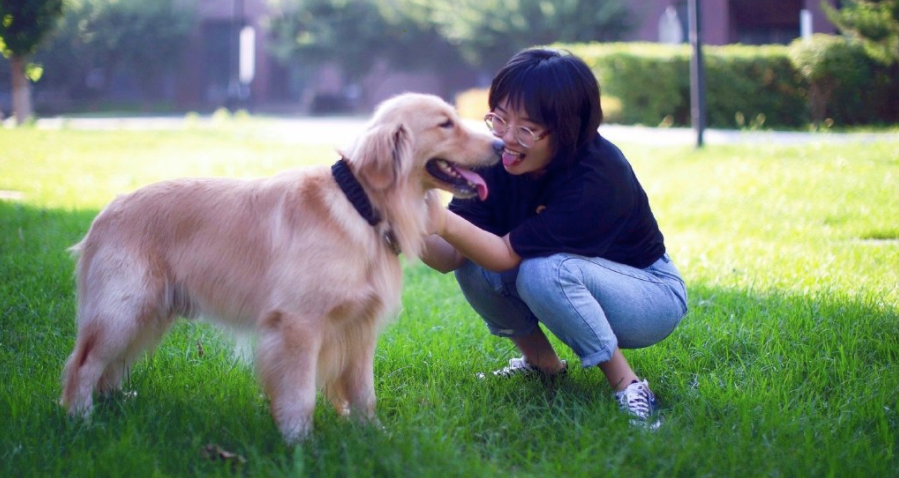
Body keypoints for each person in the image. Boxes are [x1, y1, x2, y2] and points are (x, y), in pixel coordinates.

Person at [421, 48, 688, 424]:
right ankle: (543, 366)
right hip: (572, 273)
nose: (506, 139)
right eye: (498, 119)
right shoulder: (498, 157)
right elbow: (449, 257)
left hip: (648, 294)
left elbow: (502, 256)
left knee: (543, 271)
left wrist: (441, 221)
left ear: (566, 131)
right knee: (472, 258)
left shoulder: (597, 176)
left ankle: (629, 386)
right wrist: (402, 220)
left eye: (526, 129)